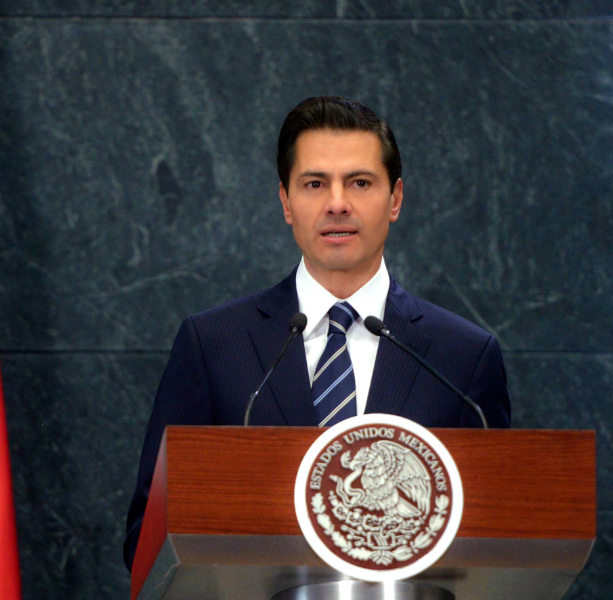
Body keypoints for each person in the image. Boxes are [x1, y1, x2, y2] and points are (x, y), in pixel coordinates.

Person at [123, 96, 511, 571]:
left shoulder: (463, 356)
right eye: (314, 184)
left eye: (360, 182)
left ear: (395, 199)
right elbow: (148, 537)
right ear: (286, 202)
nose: (337, 204)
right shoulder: (212, 345)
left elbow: (501, 535)